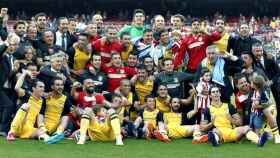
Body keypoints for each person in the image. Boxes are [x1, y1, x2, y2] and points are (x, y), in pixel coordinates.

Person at [204, 86, 268, 147]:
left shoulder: (229, 106)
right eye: (213, 92)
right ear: (210, 96)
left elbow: (240, 122)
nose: (216, 93)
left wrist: (231, 119)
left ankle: (259, 141)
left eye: (217, 91)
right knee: (215, 131)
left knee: (245, 127)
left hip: (232, 132)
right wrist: (211, 123)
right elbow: (202, 128)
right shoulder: (207, 109)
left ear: (220, 94)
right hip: (219, 132)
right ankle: (215, 141)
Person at [250, 74, 280, 143]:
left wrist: (257, 106)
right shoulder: (255, 90)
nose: (250, 83)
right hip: (261, 110)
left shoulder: (264, 91)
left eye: (252, 82)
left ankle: (277, 135)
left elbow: (267, 103)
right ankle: (263, 134)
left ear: (256, 85)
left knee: (266, 111)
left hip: (270, 108)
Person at [41, 77, 72, 144]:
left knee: (66, 116)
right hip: (45, 125)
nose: (60, 87)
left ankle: (58, 133)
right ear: (52, 86)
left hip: (56, 126)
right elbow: (40, 114)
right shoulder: (46, 97)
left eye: (61, 85)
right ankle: (46, 135)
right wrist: (41, 126)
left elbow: (69, 113)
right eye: (57, 85)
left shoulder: (65, 99)